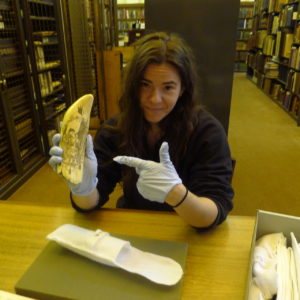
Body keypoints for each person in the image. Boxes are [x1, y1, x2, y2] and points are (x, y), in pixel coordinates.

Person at [49, 32, 234, 230]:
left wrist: (176, 193)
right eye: (145, 85)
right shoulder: (115, 129)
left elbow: (214, 211)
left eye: (168, 88)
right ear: (132, 86)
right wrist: (83, 187)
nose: (154, 99)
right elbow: (90, 203)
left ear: (182, 90)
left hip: (184, 230)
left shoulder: (207, 133)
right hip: (135, 226)